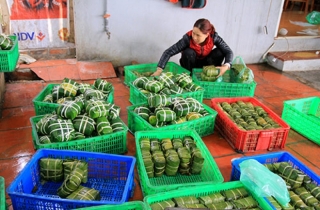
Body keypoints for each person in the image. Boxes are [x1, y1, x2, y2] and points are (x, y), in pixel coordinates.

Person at [152, 18, 233, 77]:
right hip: (191, 64)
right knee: (188, 52)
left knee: (220, 52)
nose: (194, 37)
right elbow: (169, 52)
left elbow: (228, 51)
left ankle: (213, 75)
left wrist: (226, 66)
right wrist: (159, 70)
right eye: (193, 33)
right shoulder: (188, 38)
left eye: (198, 35)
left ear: (207, 35)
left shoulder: (214, 37)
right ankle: (189, 76)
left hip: (206, 64)